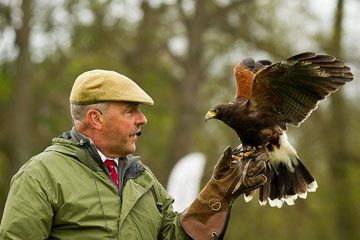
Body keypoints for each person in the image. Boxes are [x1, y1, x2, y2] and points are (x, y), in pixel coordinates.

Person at [0, 69, 268, 240]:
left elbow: (176, 236)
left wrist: (219, 194)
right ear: (95, 118)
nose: (142, 119)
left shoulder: (142, 180)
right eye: (130, 111)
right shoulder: (40, 176)